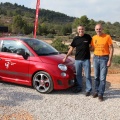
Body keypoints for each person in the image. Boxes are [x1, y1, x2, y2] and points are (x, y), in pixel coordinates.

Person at [63, 25, 92, 96]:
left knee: (87, 75)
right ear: (77, 30)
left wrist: (90, 51)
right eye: (79, 29)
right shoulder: (75, 38)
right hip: (78, 60)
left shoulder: (88, 37)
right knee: (78, 75)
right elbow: (71, 49)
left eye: (82, 29)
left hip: (86, 59)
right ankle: (79, 87)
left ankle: (88, 90)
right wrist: (66, 57)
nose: (81, 30)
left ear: (84, 29)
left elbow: (92, 46)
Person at [91, 23, 114, 101]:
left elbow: (111, 48)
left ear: (102, 29)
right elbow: (92, 48)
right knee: (96, 77)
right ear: (95, 30)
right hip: (96, 58)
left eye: (100, 29)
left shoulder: (107, 37)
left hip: (104, 59)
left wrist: (110, 60)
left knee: (102, 78)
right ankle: (96, 91)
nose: (98, 30)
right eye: (97, 29)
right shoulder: (93, 38)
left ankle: (101, 94)